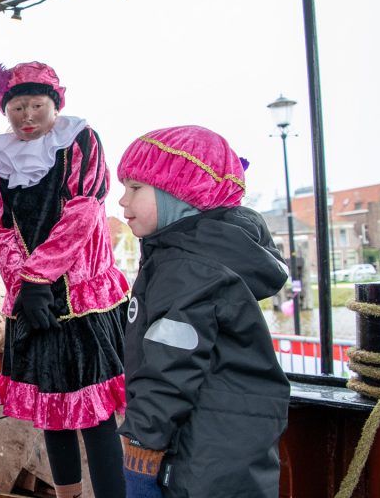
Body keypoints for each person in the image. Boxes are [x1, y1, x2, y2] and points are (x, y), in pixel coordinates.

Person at [116, 125, 290, 498]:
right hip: (227, 447)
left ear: (177, 194)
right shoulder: (194, 257)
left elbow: (170, 364)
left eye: (135, 188)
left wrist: (143, 445)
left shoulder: (187, 267)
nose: (122, 201)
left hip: (197, 456)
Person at [0, 62, 128, 498]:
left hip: (83, 299)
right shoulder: (1, 164)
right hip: (35, 303)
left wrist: (37, 278)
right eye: (17, 108)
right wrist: (21, 289)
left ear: (55, 104)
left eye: (37, 106)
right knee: (53, 412)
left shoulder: (80, 141)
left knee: (96, 415)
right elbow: (1, 230)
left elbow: (83, 211)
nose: (27, 116)